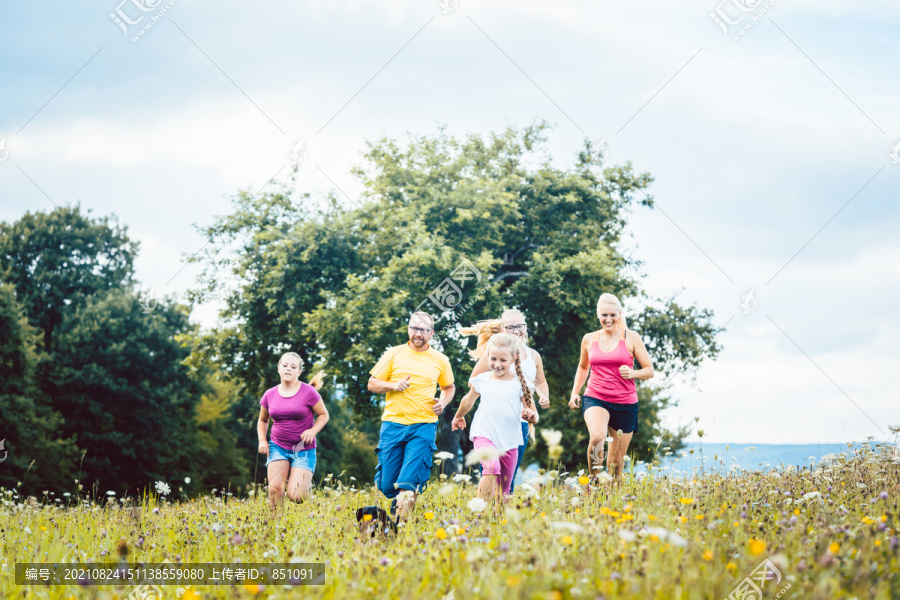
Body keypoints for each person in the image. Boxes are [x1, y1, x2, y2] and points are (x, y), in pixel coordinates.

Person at [367, 312, 456, 523]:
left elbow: (449, 387)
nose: (418, 333)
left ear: (431, 333)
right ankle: (398, 508)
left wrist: (442, 402)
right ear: (408, 329)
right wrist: (393, 385)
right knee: (388, 485)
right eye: (414, 328)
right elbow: (372, 384)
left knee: (407, 483)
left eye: (423, 329)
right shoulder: (393, 354)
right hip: (393, 425)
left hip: (423, 426)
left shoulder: (440, 360)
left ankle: (398, 527)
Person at [461, 309, 550, 493]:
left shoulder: (534, 356)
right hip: (492, 423)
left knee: (508, 477)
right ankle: (482, 512)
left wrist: (543, 396)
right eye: (511, 327)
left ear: (525, 327)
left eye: (520, 326)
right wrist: (501, 383)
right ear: (503, 329)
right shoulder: (494, 354)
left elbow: (540, 381)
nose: (517, 330)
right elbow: (474, 380)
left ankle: (500, 515)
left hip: (519, 424)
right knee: (490, 470)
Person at [568, 293, 654, 482]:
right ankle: (593, 482)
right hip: (596, 397)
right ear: (597, 314)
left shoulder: (631, 338)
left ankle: (613, 494)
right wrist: (575, 392)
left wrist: (633, 373)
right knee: (597, 437)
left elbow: (649, 371)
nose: (608, 319)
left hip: (625, 402)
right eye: (604, 315)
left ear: (620, 314)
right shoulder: (589, 339)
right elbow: (583, 367)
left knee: (616, 463)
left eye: (612, 315)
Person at [452, 332, 538, 503]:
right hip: (484, 433)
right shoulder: (482, 380)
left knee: (504, 488)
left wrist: (530, 416)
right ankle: (479, 512)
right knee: (491, 467)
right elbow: (468, 400)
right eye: (493, 359)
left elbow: (534, 415)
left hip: (510, 440)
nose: (497, 364)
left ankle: (498, 520)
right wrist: (458, 416)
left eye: (503, 360)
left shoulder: (521, 384)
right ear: (488, 357)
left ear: (514, 359)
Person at [257, 352, 329, 510]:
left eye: (293, 366)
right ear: (278, 369)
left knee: (297, 496)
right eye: (285, 365)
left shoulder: (309, 392)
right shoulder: (270, 394)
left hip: (303, 449)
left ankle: (302, 483)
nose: (288, 369)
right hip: (277, 447)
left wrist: (312, 431)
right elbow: (263, 420)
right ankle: (274, 528)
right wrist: (262, 440)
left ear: (299, 372)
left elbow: (324, 415)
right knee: (275, 490)